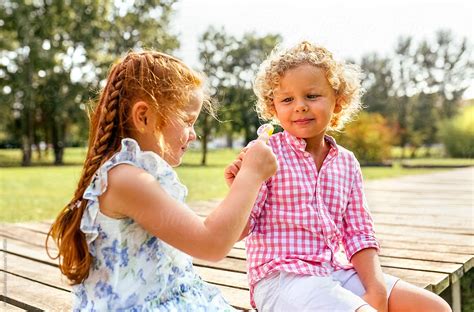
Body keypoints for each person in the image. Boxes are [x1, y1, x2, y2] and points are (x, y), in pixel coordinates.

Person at [46, 51, 277, 311]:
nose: (193, 135)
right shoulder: (126, 179)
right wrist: (250, 176)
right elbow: (211, 244)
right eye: (188, 121)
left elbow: (207, 235)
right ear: (144, 116)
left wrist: (243, 191)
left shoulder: (138, 175)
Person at [240, 41, 451, 312]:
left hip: (333, 270)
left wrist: (376, 289)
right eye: (287, 99)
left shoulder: (346, 162)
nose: (300, 106)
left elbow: (359, 232)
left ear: (338, 102)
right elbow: (240, 230)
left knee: (434, 308)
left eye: (312, 96)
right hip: (282, 279)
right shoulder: (264, 155)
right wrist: (240, 187)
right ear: (274, 108)